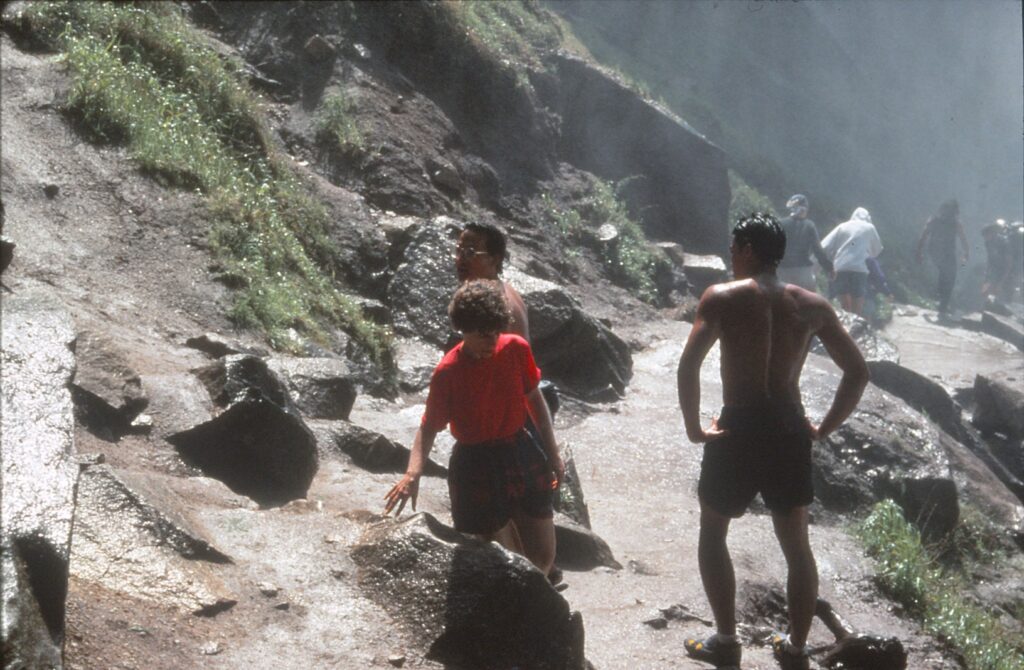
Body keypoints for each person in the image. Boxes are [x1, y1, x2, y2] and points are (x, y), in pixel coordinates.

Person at [677, 213, 869, 670]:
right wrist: (823, 427)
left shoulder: (721, 297)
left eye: (733, 246)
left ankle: (726, 642)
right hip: (788, 430)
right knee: (796, 545)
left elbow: (688, 367)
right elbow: (858, 372)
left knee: (714, 530)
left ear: (746, 248)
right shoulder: (812, 305)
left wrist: (693, 428)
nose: (729, 254)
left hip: (738, 428)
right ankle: (796, 649)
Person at [384, 279, 565, 581]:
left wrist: (553, 455)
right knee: (504, 564)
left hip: (519, 448)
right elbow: (428, 428)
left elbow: (535, 400)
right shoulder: (448, 372)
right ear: (463, 330)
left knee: (543, 557)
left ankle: (537, 606)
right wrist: (412, 474)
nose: (491, 342)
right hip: (476, 463)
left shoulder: (515, 349)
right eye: (483, 335)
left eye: (496, 332)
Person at [454, 222, 530, 341]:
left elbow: (488, 356)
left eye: (470, 252)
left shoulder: (489, 305)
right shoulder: (509, 292)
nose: (460, 260)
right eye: (458, 251)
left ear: (494, 259)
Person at [821, 207, 883, 316]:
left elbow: (824, 245)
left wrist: (831, 259)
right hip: (859, 269)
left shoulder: (842, 226)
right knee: (857, 301)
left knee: (844, 302)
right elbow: (877, 249)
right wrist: (866, 253)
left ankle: (845, 322)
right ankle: (855, 324)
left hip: (840, 267)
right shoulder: (870, 228)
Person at [916, 199, 969, 317]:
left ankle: (941, 301)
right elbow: (963, 238)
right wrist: (966, 252)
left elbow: (923, 236)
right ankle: (942, 302)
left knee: (946, 276)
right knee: (948, 277)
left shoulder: (935, 221)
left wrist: (919, 252)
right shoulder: (953, 223)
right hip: (943, 253)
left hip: (938, 252)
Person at [777, 194, 833, 292]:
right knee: (809, 304)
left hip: (782, 271)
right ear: (805, 209)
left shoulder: (781, 223)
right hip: (803, 273)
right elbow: (818, 251)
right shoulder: (809, 226)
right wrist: (829, 268)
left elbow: (771, 246)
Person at [980, 221, 1010, 303]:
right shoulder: (988, 242)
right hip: (994, 266)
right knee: (987, 288)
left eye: (986, 235)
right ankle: (989, 304)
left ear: (992, 233)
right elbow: (990, 257)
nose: (985, 238)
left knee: (999, 288)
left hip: (1005, 267)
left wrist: (1001, 281)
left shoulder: (1003, 242)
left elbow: (1008, 261)